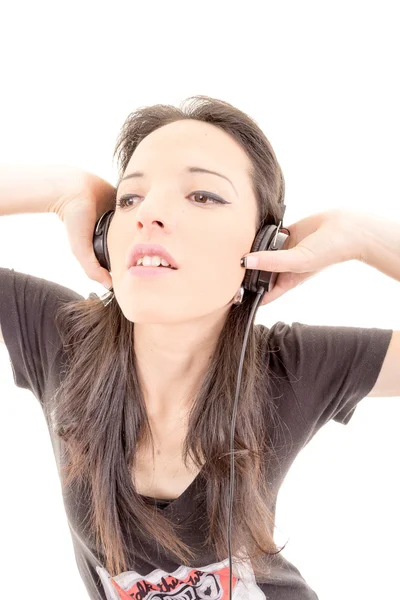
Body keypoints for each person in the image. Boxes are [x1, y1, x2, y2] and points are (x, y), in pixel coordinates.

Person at [0, 95, 396, 600]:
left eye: (203, 196)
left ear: (265, 249)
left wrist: (366, 236)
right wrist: (62, 189)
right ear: (105, 237)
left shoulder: (292, 367)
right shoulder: (59, 337)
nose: (151, 215)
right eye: (130, 198)